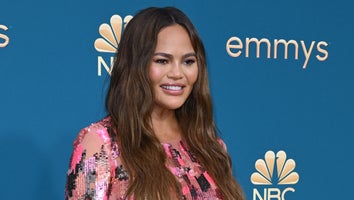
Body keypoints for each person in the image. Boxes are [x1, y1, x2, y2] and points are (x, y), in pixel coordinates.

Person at [65, 6, 245, 200]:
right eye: (162, 61)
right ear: (136, 65)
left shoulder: (211, 147)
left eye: (188, 61)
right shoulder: (101, 145)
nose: (177, 73)